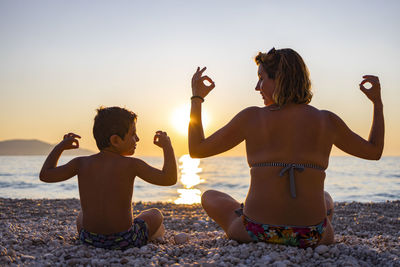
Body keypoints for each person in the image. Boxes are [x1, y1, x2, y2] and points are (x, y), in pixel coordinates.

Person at [189, 48, 384, 248]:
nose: (257, 87)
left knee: (209, 196)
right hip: (312, 235)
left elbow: (197, 149)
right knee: (326, 199)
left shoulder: (252, 117)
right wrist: (377, 102)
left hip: (256, 231)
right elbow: (374, 151)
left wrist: (197, 98)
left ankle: (249, 211)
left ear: (280, 79)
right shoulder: (327, 120)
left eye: (261, 78)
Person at [40, 106, 177, 250]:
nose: (137, 139)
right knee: (155, 214)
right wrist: (167, 147)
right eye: (133, 134)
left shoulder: (81, 163)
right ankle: (154, 234)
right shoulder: (132, 164)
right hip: (125, 240)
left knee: (81, 215)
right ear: (116, 140)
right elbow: (169, 178)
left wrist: (60, 147)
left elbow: (46, 175)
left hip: (89, 239)